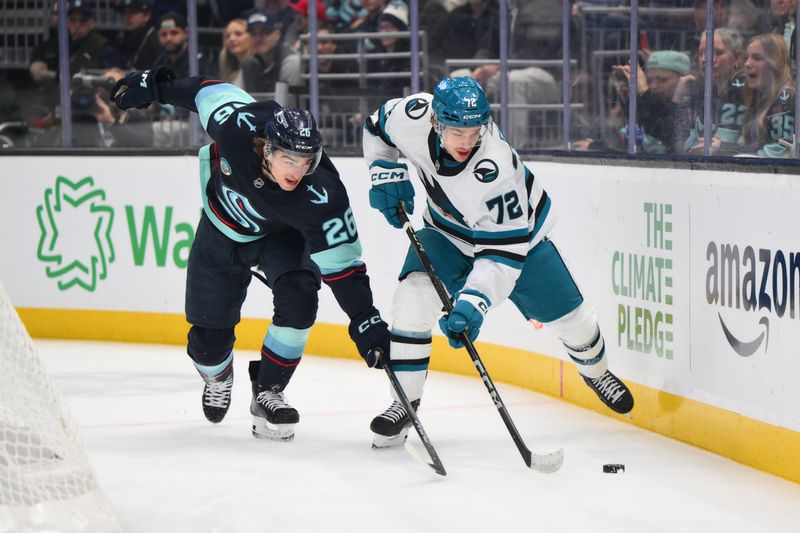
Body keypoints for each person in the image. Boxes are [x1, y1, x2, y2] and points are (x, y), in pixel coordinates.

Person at [111, 67, 392, 441]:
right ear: (269, 148)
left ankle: (269, 391)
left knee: (301, 299)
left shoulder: (322, 196)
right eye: (289, 159)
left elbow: (343, 268)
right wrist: (156, 87)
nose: (298, 171)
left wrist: (364, 318)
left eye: (307, 161)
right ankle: (217, 375)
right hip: (221, 232)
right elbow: (205, 90)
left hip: (282, 238)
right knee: (207, 346)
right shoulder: (239, 126)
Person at [362, 76, 634, 447]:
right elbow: (377, 127)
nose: (466, 142)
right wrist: (384, 174)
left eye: (475, 131)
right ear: (435, 121)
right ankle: (404, 404)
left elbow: (500, 256)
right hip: (445, 232)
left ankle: (597, 371)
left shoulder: (495, 169)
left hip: (521, 242)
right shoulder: (413, 114)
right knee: (411, 298)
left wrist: (472, 305)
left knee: (577, 325)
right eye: (457, 131)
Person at [674, 28, 746, 155]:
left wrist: (721, 148)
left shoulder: (745, 92)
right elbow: (677, 144)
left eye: (717, 53)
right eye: (702, 53)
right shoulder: (700, 90)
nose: (705, 59)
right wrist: (678, 98)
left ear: (737, 57)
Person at [740, 33, 796, 157]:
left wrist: (727, 149)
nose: (747, 64)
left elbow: (780, 150)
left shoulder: (786, 97)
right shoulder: (761, 98)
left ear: (774, 63)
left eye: (757, 58)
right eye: (746, 58)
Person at [241, 10, 302, 93]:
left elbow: (292, 103)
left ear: (277, 34)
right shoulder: (250, 63)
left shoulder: (291, 61)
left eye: (265, 32)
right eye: (253, 34)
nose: (259, 38)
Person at [117, 0, 161, 71]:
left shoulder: (156, 37)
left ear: (147, 15)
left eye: (133, 12)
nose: (127, 17)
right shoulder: (124, 37)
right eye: (124, 13)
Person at [219, 18, 254, 87]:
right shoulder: (229, 72)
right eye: (227, 36)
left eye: (238, 34)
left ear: (251, 36)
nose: (231, 39)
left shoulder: (256, 67)